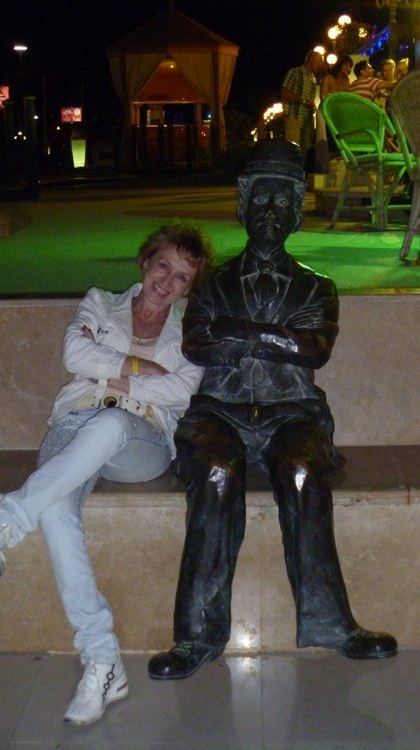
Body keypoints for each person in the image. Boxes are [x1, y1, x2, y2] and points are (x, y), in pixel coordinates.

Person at [147, 139, 398, 681]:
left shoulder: (317, 288)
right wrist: (277, 337)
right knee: (217, 472)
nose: (270, 212)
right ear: (243, 205)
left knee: (303, 469)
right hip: (220, 412)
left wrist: (243, 332)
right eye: (261, 199)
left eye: (283, 202)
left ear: (297, 213)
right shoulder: (212, 284)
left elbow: (314, 350)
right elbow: (199, 344)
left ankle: (333, 624)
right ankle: (196, 635)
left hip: (292, 413)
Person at [0, 222, 214, 724]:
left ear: (189, 288)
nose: (167, 281)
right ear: (145, 261)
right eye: (164, 265)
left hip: (142, 437)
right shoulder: (100, 301)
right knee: (57, 511)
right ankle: (102, 660)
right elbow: (74, 354)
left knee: (113, 422)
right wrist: (143, 369)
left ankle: (9, 517)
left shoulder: (193, 328)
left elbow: (182, 391)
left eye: (182, 277)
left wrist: (112, 370)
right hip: (74, 422)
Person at [280, 50, 324, 161]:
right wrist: (303, 101)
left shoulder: (313, 79)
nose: (321, 65)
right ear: (311, 60)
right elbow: (284, 92)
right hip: (293, 117)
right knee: (292, 150)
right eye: (319, 62)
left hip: (307, 121)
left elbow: (310, 100)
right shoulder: (295, 72)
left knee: (305, 152)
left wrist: (312, 106)